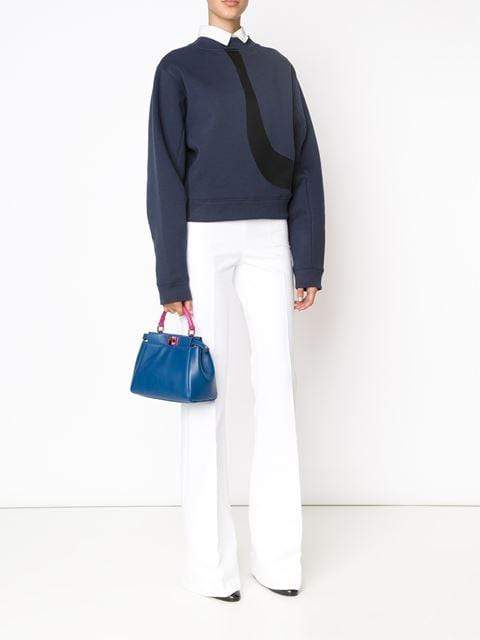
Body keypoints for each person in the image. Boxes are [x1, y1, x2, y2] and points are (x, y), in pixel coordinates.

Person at [146, 0, 324, 602]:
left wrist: (309, 257)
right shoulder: (178, 68)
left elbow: (306, 165)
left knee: (277, 389)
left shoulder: (278, 68)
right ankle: (209, 567)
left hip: (271, 240)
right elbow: (164, 173)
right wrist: (172, 278)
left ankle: (279, 561)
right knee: (204, 394)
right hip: (203, 239)